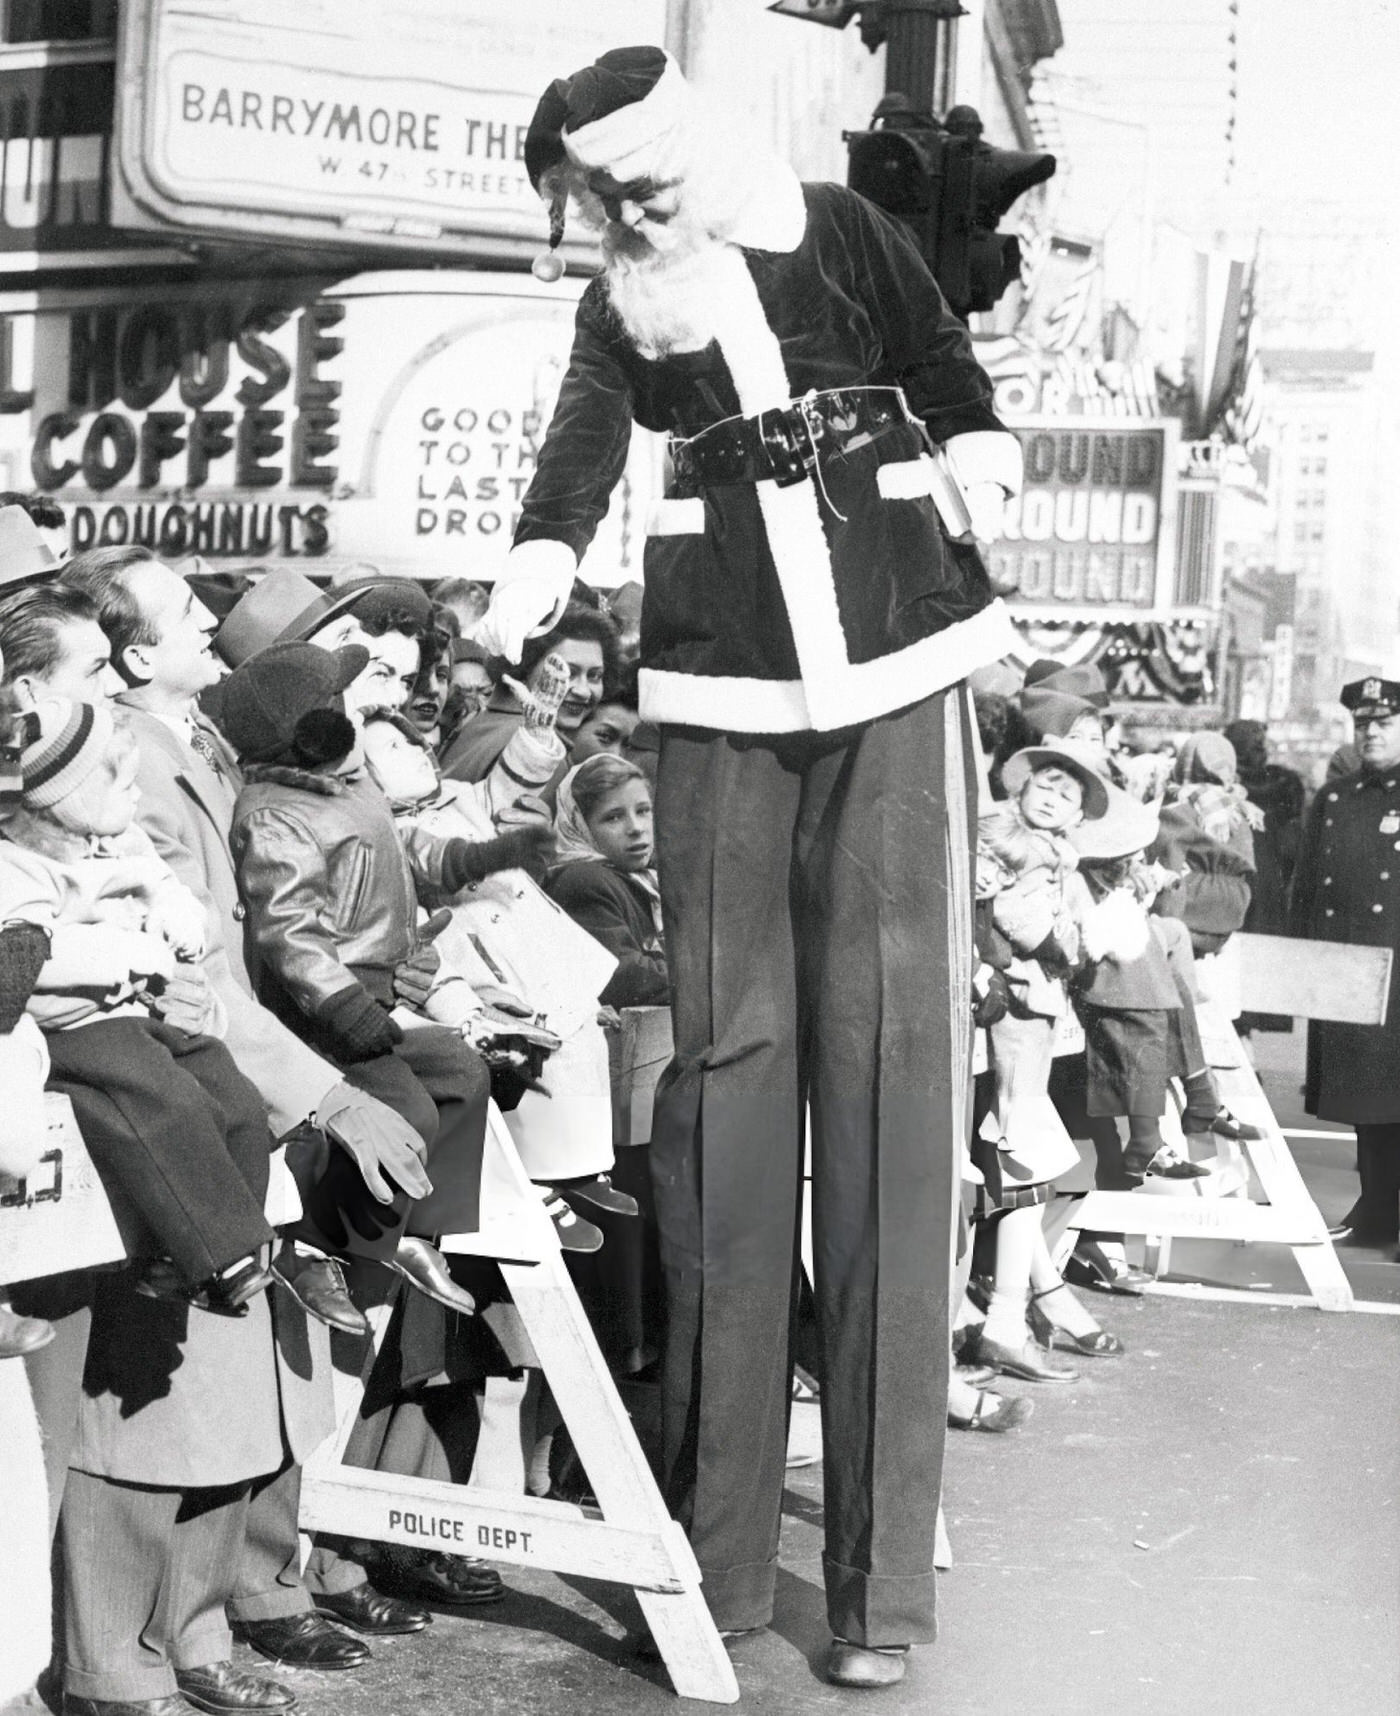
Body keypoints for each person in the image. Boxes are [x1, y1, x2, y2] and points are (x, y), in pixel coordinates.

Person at [474, 45, 1022, 1687]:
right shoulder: (618, 305)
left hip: (898, 650)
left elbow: (948, 372)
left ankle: (878, 1593)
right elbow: (577, 450)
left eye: (647, 177)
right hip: (715, 678)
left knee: (891, 1080)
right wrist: (537, 567)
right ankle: (713, 1568)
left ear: (697, 145)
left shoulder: (849, 229)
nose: (633, 208)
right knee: (724, 1087)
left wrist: (981, 472)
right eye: (607, 194)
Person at [0, 699, 285, 1315]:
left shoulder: (121, 841)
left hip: (142, 1012)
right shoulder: (22, 868)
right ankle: (223, 1256)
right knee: (166, 1102)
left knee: (230, 1094)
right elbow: (28, 959)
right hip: (75, 1025)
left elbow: (170, 890)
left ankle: (197, 1246)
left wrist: (177, 921)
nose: (136, 796)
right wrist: (129, 954)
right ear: (72, 798)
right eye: (123, 784)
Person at [967, 745, 1123, 1382]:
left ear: (1078, 815)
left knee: (1024, 1160)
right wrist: (1061, 945)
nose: (1053, 796)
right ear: (1022, 788)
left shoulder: (1056, 854)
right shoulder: (1012, 842)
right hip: (1010, 1006)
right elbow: (1009, 910)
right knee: (1020, 1157)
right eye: (1045, 784)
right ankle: (1007, 1316)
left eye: (1068, 794)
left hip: (1031, 1011)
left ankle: (1046, 1298)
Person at [1290, 676, 1400, 1250]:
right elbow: (1307, 886)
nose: (1372, 733)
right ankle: (1378, 1208)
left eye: (1383, 723)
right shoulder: (1338, 798)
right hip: (1352, 970)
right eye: (1363, 725)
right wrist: (1304, 961)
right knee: (1369, 1099)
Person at [440, 600, 616, 793]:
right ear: (523, 667)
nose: (584, 691)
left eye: (595, 676)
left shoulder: (479, 724)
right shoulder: (538, 750)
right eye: (567, 672)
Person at [545, 753, 669, 1009]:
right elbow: (625, 978)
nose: (636, 828)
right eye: (613, 817)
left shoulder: (643, 878)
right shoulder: (582, 880)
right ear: (579, 825)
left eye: (643, 811)